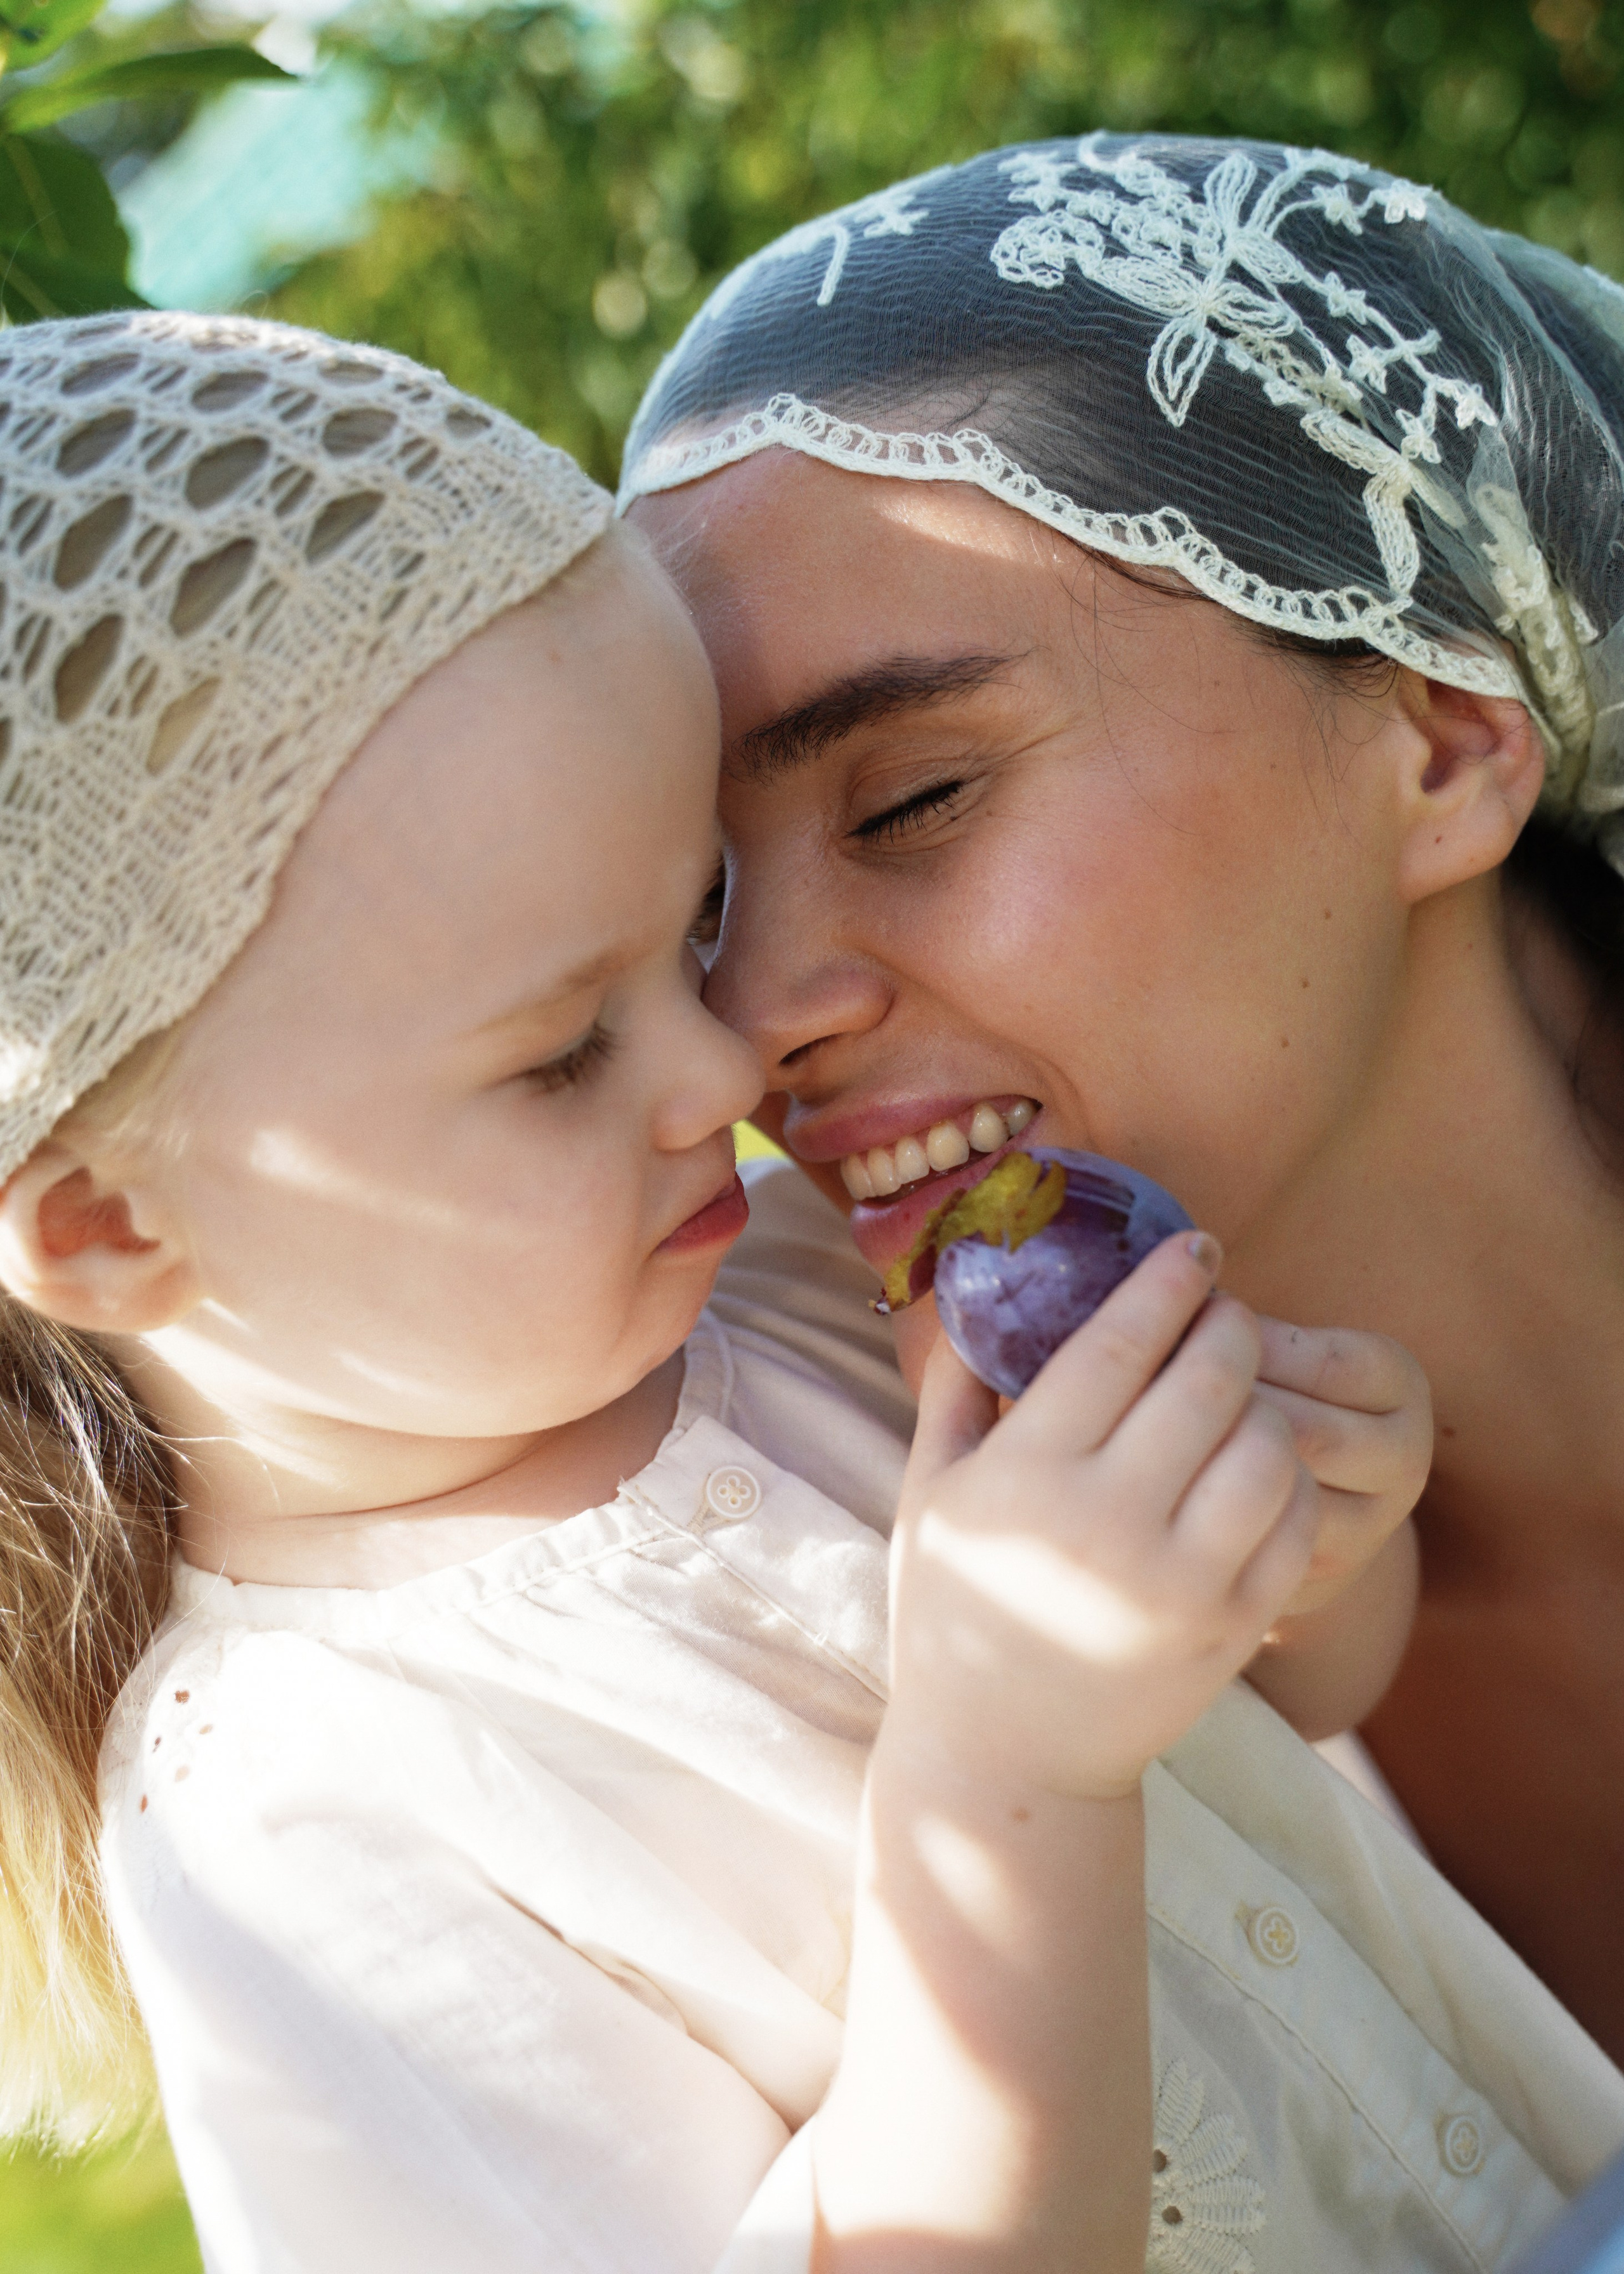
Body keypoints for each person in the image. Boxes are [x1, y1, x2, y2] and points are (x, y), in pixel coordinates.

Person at [0, 309, 1605, 2274]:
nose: (727, 1065)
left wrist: (1298, 1531)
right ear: (108, 1229)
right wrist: (1006, 1759)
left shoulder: (780, 1284)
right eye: (558, 1054)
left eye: (690, 936)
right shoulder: (299, 1814)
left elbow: (1296, 1709)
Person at [623, 129, 1624, 2068]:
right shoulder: (973, 1658)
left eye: (912, 798)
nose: (744, 1022)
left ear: (1441, 739)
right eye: (702, 903)